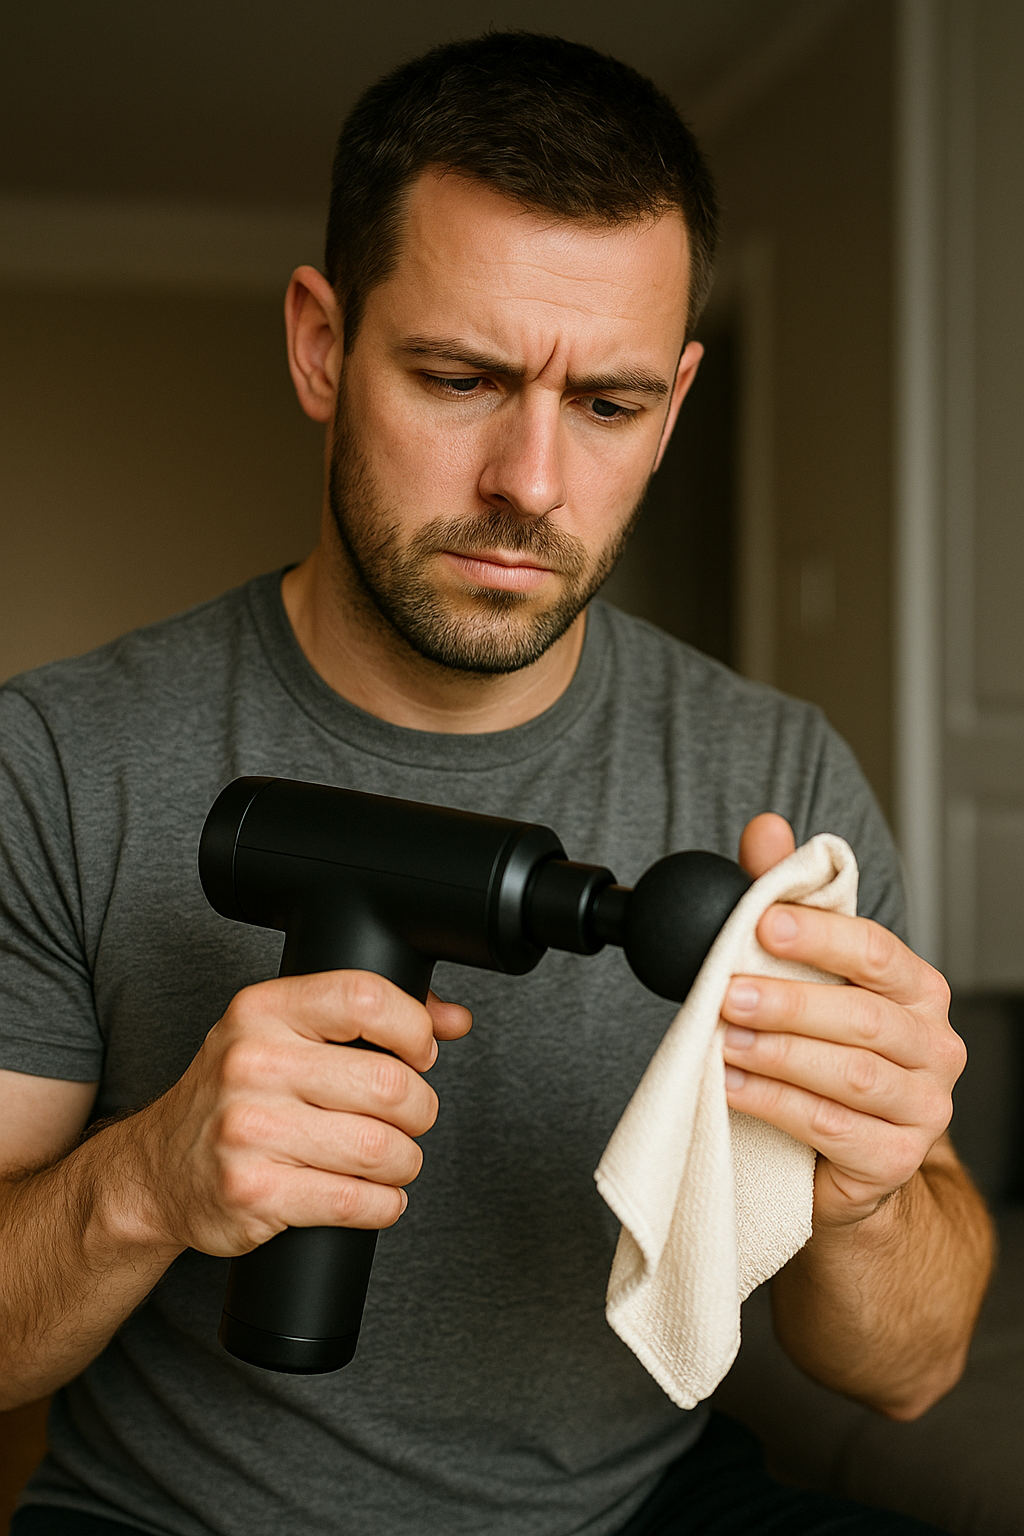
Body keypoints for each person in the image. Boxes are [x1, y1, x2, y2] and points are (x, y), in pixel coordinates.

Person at [0, 31, 992, 1536]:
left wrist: (868, 1189)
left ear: (673, 404)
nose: (531, 481)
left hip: (635, 1512)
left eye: (606, 405)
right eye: (461, 377)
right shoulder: (63, 762)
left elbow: (910, 1374)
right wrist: (146, 1180)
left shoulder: (774, 781)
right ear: (322, 345)